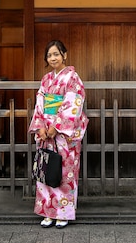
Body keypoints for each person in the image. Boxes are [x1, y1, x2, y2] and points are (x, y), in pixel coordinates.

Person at [28, 40, 89, 229]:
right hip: (46, 132)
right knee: (46, 170)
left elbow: (74, 104)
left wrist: (56, 126)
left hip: (64, 135)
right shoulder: (46, 79)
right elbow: (40, 104)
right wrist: (40, 127)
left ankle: (62, 213)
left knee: (64, 172)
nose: (53, 58)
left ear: (65, 55)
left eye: (56, 54)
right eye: (49, 55)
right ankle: (47, 211)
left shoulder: (73, 78)